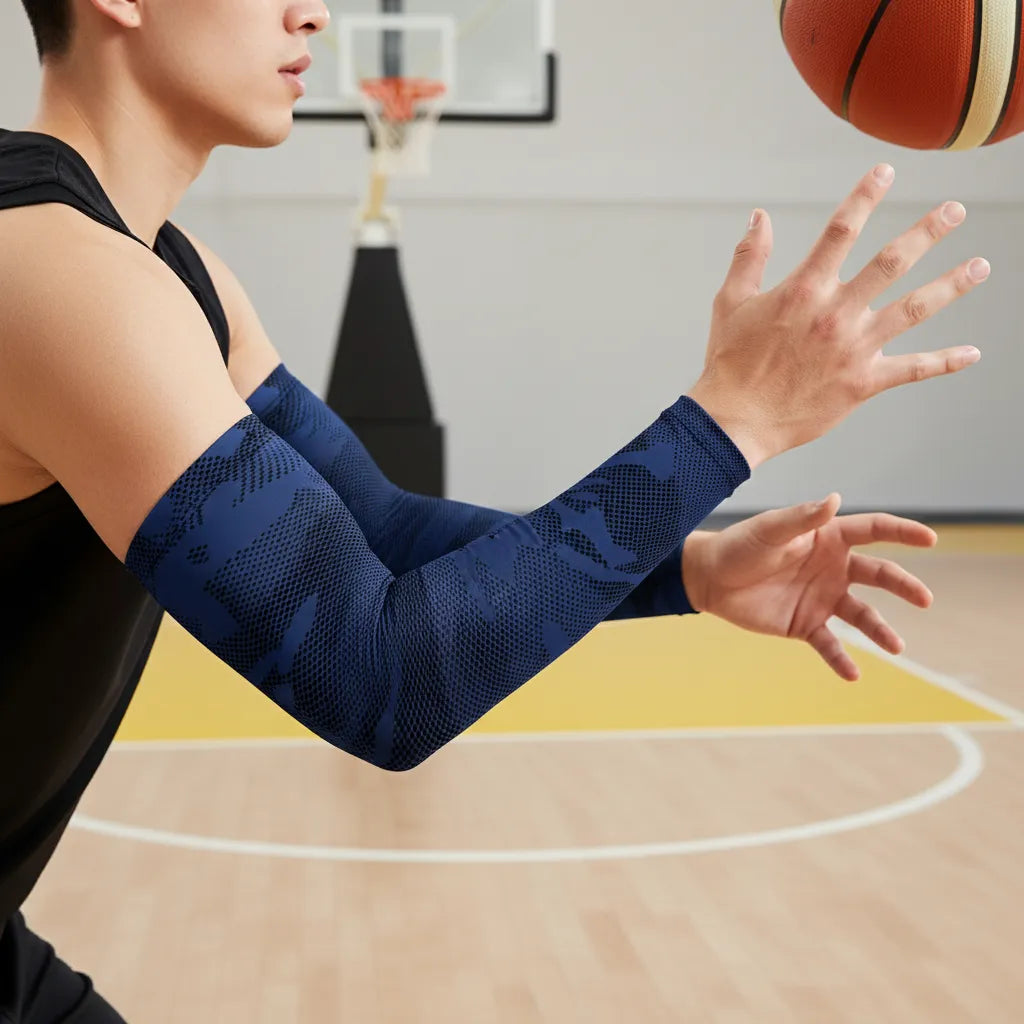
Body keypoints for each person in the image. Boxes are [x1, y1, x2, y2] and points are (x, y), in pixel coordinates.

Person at [0, 0, 990, 1019]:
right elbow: (377, 674)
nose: (314, 10)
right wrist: (728, 422)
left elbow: (380, 531)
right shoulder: (56, 272)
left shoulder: (173, 274)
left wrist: (685, 568)